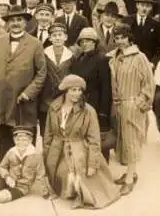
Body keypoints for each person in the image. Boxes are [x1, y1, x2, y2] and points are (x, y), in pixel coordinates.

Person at [43, 74, 120, 209]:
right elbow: (48, 135)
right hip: (58, 151)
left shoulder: (88, 111)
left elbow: (94, 140)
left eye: (79, 90)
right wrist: (46, 158)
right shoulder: (53, 108)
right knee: (63, 177)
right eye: (73, 90)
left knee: (81, 182)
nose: (77, 93)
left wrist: (92, 165)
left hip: (80, 150)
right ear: (65, 91)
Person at [0, 5, 46, 180]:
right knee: (4, 136)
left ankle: (25, 174)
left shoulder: (35, 44)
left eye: (19, 20)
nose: (16, 23)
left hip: (24, 100)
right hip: (3, 99)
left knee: (24, 136)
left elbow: (42, 72)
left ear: (26, 22)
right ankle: (2, 169)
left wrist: (29, 93)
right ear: (8, 23)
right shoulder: (0, 41)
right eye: (12, 20)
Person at [107, 24, 156, 196]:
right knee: (123, 142)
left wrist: (140, 103)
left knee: (132, 141)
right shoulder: (113, 57)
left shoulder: (139, 57)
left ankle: (129, 180)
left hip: (133, 104)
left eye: (122, 37)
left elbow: (149, 83)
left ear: (129, 37)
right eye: (116, 38)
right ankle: (131, 172)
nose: (119, 41)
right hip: (119, 105)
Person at [69, 27, 113, 161]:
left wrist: (104, 113)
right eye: (82, 41)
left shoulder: (102, 59)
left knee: (98, 140)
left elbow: (106, 88)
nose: (85, 44)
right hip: (79, 103)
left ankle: (103, 171)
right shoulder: (78, 59)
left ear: (95, 42)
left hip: (96, 105)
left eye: (88, 41)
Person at [37, 23, 73, 141]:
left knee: (63, 129)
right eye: (54, 35)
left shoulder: (71, 55)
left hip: (64, 98)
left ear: (65, 37)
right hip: (46, 98)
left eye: (60, 35)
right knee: (46, 131)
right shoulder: (44, 53)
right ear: (50, 38)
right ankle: (46, 155)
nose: (57, 38)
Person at [122, 0, 160, 68]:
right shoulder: (126, 21)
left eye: (148, 6)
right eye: (142, 5)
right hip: (128, 63)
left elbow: (159, 48)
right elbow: (119, 42)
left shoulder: (155, 25)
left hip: (147, 65)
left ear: (151, 8)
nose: (144, 9)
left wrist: (153, 63)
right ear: (137, 5)